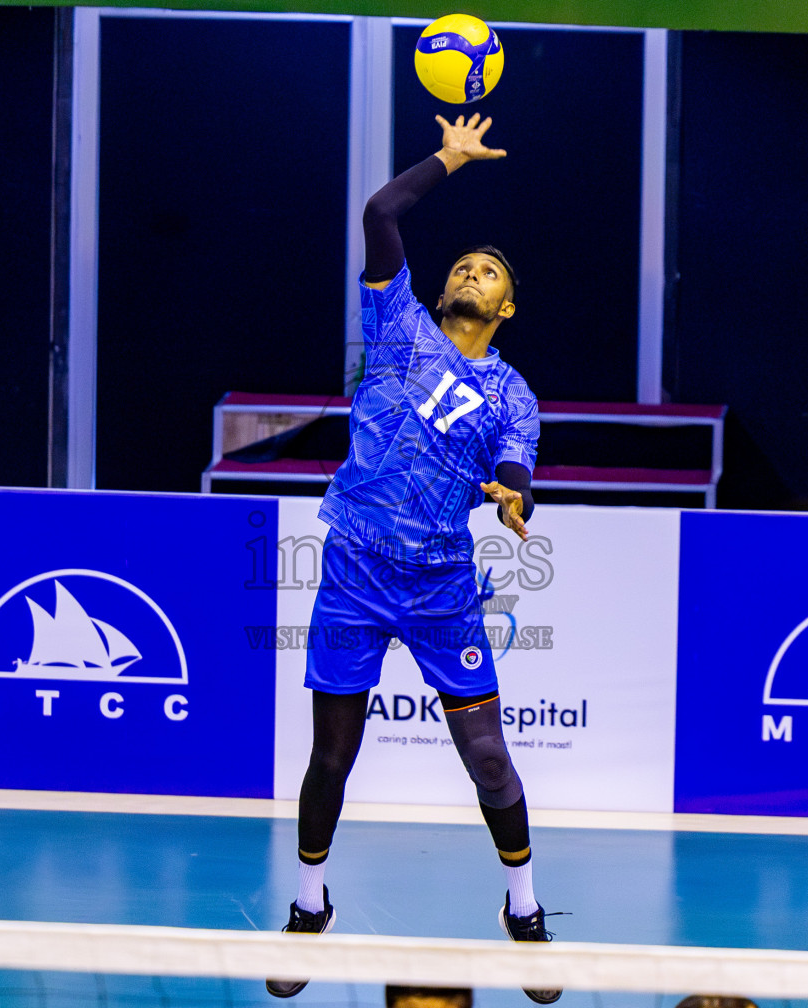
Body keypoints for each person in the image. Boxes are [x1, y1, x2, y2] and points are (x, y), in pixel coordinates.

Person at [268, 114, 557, 1004]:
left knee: (489, 759)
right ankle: (311, 906)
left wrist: (512, 494)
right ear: (440, 290)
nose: (472, 273)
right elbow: (381, 212)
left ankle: (524, 907)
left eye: (491, 274)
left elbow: (516, 466)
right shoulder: (395, 321)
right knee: (330, 760)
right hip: (354, 569)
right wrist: (449, 159)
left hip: (440, 587)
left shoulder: (513, 393)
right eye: (464, 266)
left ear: (505, 308)